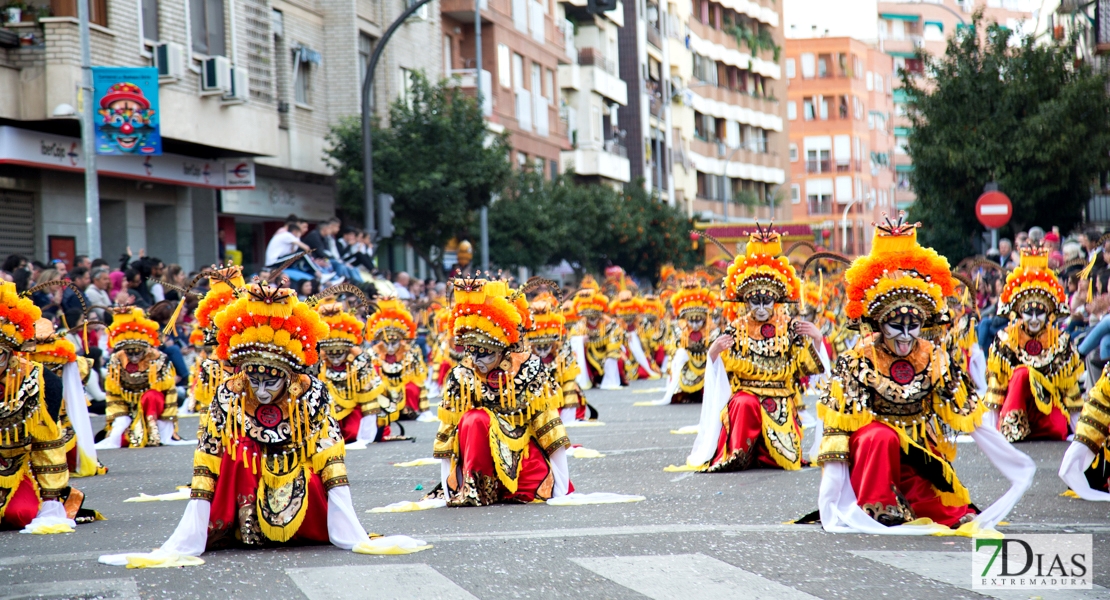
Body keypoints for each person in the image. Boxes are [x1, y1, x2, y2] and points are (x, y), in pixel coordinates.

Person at [100, 281, 426, 566]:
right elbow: (207, 459)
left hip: (298, 473)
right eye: (253, 380)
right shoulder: (229, 395)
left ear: (289, 376)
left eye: (272, 381)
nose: (262, 390)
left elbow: (330, 459)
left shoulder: (310, 395)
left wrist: (348, 527)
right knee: (236, 451)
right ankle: (245, 527)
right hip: (247, 481)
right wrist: (192, 530)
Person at [814, 213, 1034, 535]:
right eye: (895, 325)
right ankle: (877, 506)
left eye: (913, 325)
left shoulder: (935, 358)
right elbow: (836, 432)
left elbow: (973, 418)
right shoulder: (857, 361)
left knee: (942, 509)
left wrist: (1016, 465)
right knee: (881, 435)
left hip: (919, 455)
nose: (905, 336)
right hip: (872, 457)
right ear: (877, 323)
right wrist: (831, 500)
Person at [681, 225, 826, 473]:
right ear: (745, 300)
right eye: (754, 300)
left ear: (777, 300)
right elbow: (722, 370)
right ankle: (739, 453)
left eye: (766, 300)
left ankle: (766, 452)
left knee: (788, 461)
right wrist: (713, 353)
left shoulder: (790, 328)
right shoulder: (736, 328)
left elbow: (806, 368)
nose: (760, 307)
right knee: (744, 402)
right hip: (746, 395)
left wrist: (817, 340)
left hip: (780, 399)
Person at [434, 278, 570, 506]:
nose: (477, 361)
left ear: (502, 348)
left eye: (484, 353)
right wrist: (451, 486)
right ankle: (475, 488)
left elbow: (548, 424)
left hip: (522, 461)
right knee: (473, 419)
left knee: (479, 419)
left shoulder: (528, 369)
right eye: (472, 352)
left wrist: (562, 485)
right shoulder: (462, 374)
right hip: (475, 463)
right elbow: (448, 433)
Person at [0, 281, 95, 532]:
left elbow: (46, 444)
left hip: (16, 469)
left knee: (19, 514)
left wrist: (52, 499)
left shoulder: (38, 380)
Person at [984, 245, 1083, 442]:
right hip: (1014, 414)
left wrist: (1081, 433)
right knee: (1022, 374)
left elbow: (1070, 391)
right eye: (1030, 312)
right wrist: (991, 434)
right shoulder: (1006, 339)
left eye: (1041, 312)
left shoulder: (1060, 342)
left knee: (1057, 428)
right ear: (1019, 312)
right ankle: (1013, 427)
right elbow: (996, 390)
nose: (1035, 318)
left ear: (1049, 312)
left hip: (1046, 415)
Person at [22, 317, 107, 477]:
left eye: (54, 368)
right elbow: (83, 373)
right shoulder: (64, 356)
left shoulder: (24, 354)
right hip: (35, 410)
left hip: (47, 410)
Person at [95, 307, 178, 448]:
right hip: (129, 411)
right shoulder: (116, 361)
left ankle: (153, 428)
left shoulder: (158, 359)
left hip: (154, 411)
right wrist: (121, 419)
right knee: (123, 439)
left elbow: (169, 392)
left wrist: (166, 422)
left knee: (152, 396)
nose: (133, 358)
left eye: (137, 353)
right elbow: (113, 395)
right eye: (129, 354)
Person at [315, 297, 383, 443]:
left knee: (351, 433)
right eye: (331, 353)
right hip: (326, 412)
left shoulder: (358, 365)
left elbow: (369, 396)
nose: (336, 358)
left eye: (340, 352)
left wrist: (367, 434)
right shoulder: (318, 366)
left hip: (353, 410)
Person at [526, 295, 597, 423]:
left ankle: (567, 416)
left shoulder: (562, 340)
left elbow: (568, 362)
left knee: (570, 385)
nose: (543, 348)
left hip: (558, 376)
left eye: (546, 343)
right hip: (533, 379)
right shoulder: (524, 339)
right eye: (538, 344)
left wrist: (558, 374)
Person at [365, 298, 428, 430]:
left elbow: (419, 377)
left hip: (403, 382)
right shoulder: (373, 353)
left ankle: (408, 410)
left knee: (412, 388)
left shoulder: (410, 351)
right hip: (383, 384)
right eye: (387, 343)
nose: (391, 347)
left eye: (395, 343)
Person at [660, 278, 715, 404]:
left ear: (704, 319)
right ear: (686, 320)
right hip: (688, 362)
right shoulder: (680, 330)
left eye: (698, 321)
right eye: (692, 321)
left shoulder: (711, 331)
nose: (695, 325)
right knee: (679, 356)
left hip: (705, 362)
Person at [568, 279, 624, 390]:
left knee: (617, 359)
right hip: (590, 359)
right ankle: (589, 379)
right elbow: (571, 341)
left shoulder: (609, 324)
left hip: (607, 355)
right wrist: (579, 340)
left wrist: (609, 356)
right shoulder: (579, 326)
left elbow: (616, 340)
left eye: (594, 317)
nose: (591, 320)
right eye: (589, 317)